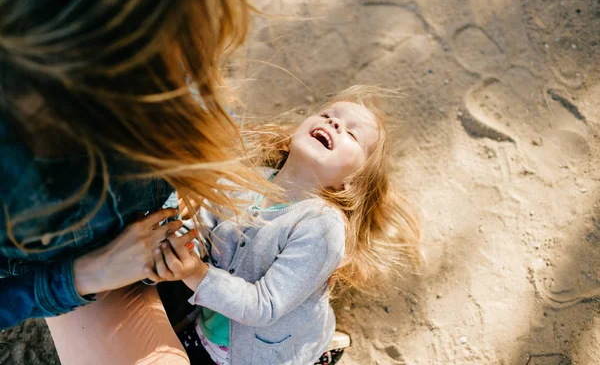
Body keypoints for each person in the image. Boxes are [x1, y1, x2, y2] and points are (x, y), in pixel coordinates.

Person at [0, 0, 267, 364]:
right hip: (75, 271)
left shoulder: (160, 14)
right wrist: (84, 275)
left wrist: (188, 176)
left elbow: (196, 99)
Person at [150, 88, 422, 365]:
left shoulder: (322, 228)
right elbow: (204, 230)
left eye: (352, 134)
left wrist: (196, 272)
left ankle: (318, 353)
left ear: (351, 183)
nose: (334, 123)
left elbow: (264, 306)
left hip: (264, 355)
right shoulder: (245, 181)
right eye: (327, 115)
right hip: (210, 332)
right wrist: (180, 247)